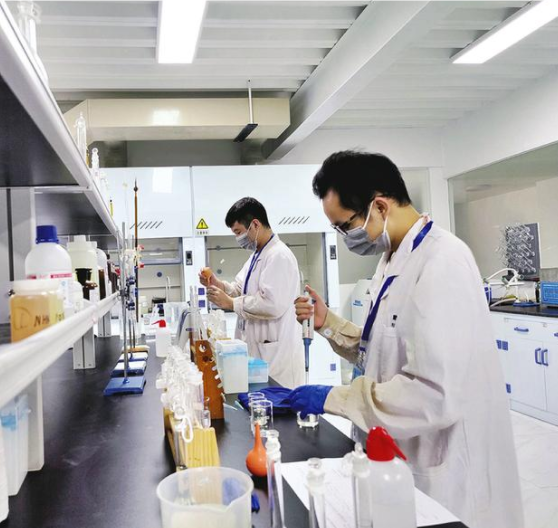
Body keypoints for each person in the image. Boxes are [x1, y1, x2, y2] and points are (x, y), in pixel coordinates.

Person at [289, 151, 522, 528]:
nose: (345, 238)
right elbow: (384, 349)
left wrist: (337, 398)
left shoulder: (442, 262)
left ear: (379, 206)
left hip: (444, 471)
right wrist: (327, 323)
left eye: (345, 226)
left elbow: (433, 392)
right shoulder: (391, 260)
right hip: (398, 456)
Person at [200, 197, 304, 388]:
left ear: (255, 224)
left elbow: (272, 304)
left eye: (239, 232)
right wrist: (219, 285)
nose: (238, 239)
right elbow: (240, 289)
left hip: (275, 357)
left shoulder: (279, 255)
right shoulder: (257, 255)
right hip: (258, 356)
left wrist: (231, 303)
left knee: (276, 403)